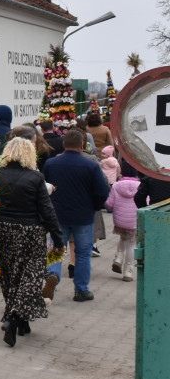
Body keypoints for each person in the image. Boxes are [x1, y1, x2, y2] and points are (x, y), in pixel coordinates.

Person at [0, 137, 63, 347]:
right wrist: (58, 238)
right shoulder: (36, 177)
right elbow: (47, 210)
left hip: (3, 230)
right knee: (29, 277)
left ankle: (20, 320)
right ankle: (13, 319)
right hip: (30, 231)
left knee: (9, 276)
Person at [42, 129, 110, 303]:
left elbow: (44, 189)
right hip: (83, 216)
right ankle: (81, 290)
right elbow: (103, 191)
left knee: (57, 248)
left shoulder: (51, 164)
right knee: (83, 253)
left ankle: (53, 275)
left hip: (58, 215)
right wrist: (95, 206)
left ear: (64, 145)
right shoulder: (91, 165)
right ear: (82, 145)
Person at [107, 160, 141, 282]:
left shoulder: (116, 185)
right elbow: (146, 202)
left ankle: (118, 258)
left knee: (123, 238)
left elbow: (109, 203)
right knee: (131, 244)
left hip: (120, 220)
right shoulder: (140, 186)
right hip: (134, 221)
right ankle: (128, 271)